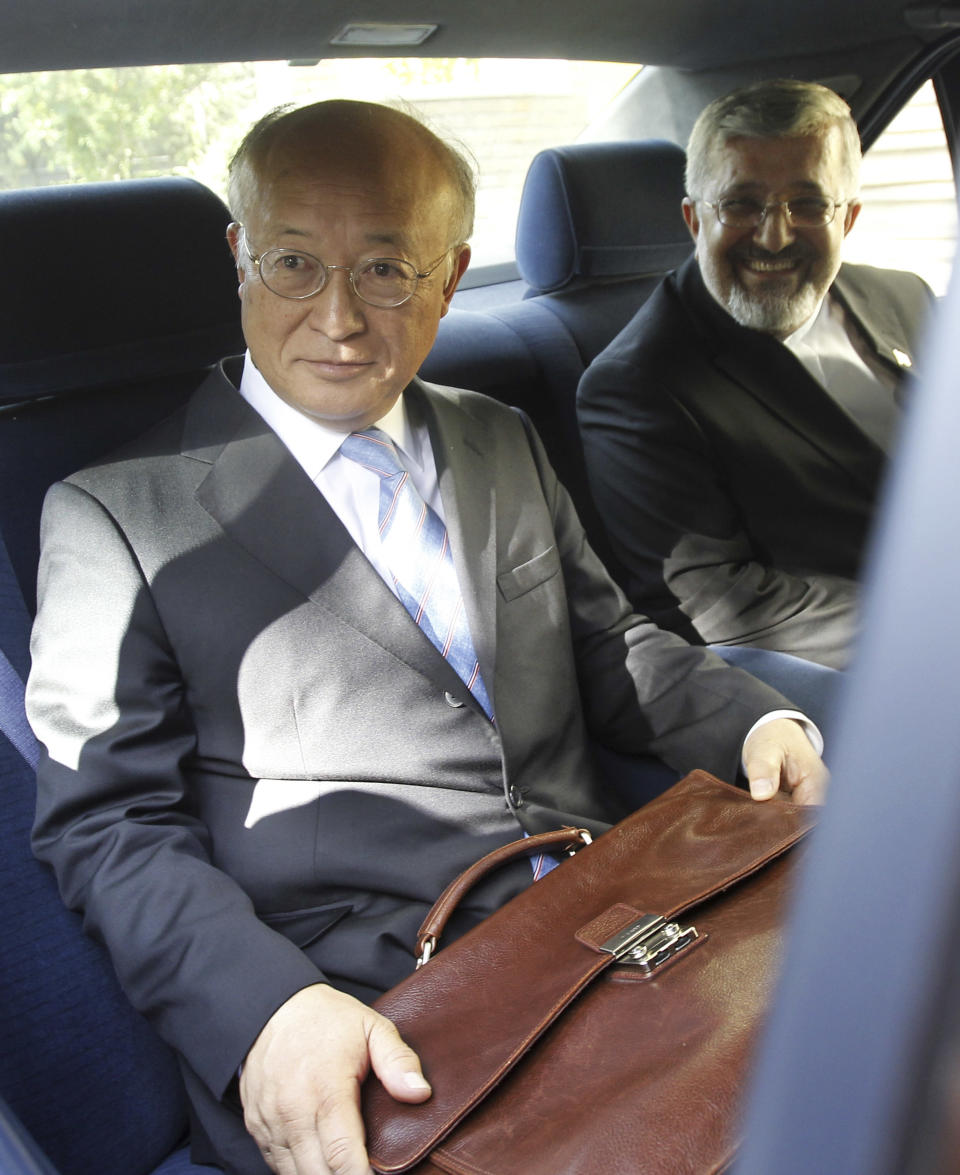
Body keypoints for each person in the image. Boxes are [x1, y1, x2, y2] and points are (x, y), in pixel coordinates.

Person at [27, 99, 826, 1175]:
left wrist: (756, 719)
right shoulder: (114, 514)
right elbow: (107, 824)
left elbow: (609, 638)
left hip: (620, 923)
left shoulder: (496, 434)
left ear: (450, 278)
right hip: (373, 1009)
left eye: (388, 271)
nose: (340, 318)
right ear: (239, 257)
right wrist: (267, 1011)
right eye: (295, 263)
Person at [577, 79, 934, 669]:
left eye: (809, 203)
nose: (775, 235)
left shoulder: (905, 296)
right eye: (741, 204)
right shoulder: (637, 386)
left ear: (849, 217)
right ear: (695, 220)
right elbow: (719, 604)